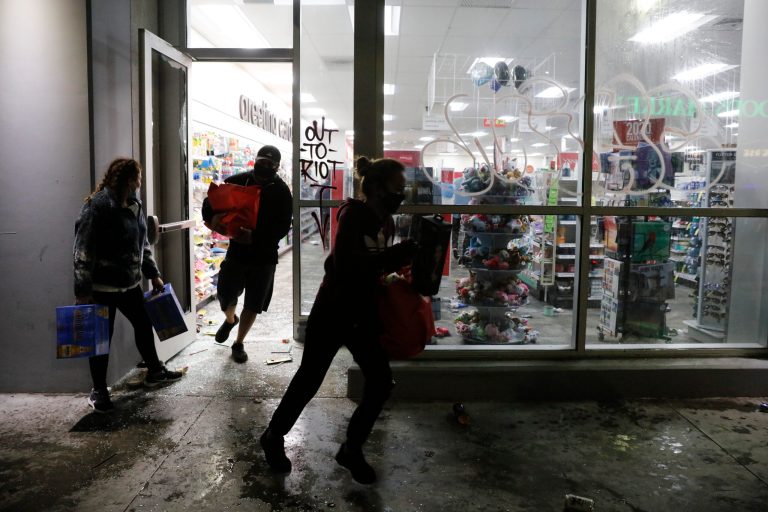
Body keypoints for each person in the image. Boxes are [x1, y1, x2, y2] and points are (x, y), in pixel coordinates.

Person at [260, 156, 417, 484]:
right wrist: (394, 256)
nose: (401, 196)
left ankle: (352, 448)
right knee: (309, 379)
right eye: (397, 189)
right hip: (332, 311)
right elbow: (346, 265)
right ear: (375, 188)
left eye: (404, 190)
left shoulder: (385, 222)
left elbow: (374, 267)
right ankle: (273, 436)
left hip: (362, 314)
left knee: (381, 382)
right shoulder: (353, 215)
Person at [73, 158, 184, 414]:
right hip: (102, 289)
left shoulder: (134, 205)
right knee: (101, 340)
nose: (141, 181)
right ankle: (98, 390)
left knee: (144, 326)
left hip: (130, 285)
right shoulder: (96, 208)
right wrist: (82, 292)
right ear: (129, 180)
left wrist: (153, 274)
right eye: (139, 177)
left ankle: (155, 370)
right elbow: (82, 251)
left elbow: (141, 244)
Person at [202, 145, 293, 363]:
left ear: (277, 167)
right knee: (225, 293)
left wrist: (255, 237)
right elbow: (210, 203)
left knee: (254, 303)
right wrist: (213, 220)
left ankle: (239, 342)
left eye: (271, 164)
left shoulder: (281, 191)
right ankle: (230, 319)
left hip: (264, 255)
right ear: (255, 160)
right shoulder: (238, 180)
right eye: (262, 161)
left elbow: (283, 226)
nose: (266, 166)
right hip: (237, 252)